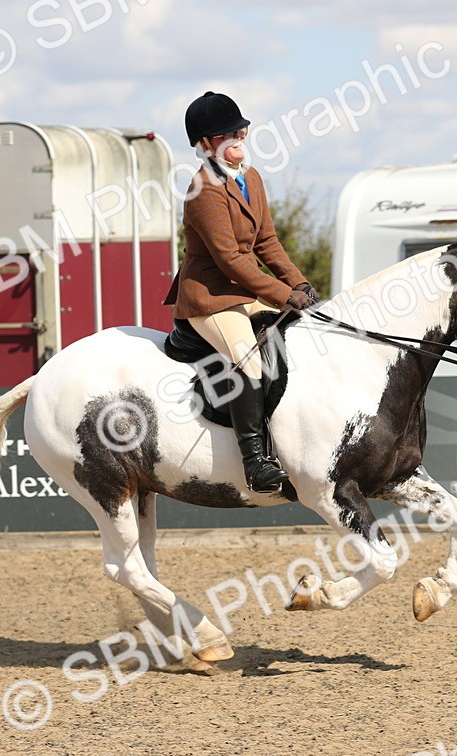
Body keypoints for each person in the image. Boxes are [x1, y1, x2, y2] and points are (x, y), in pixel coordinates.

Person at [163, 91, 319, 493]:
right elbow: (231, 260)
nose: (241, 135)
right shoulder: (203, 191)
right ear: (206, 144)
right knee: (248, 361)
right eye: (230, 132)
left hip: (244, 289)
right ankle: (255, 462)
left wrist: (298, 282)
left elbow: (267, 242)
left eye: (241, 129)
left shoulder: (250, 177)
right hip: (210, 296)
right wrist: (283, 295)